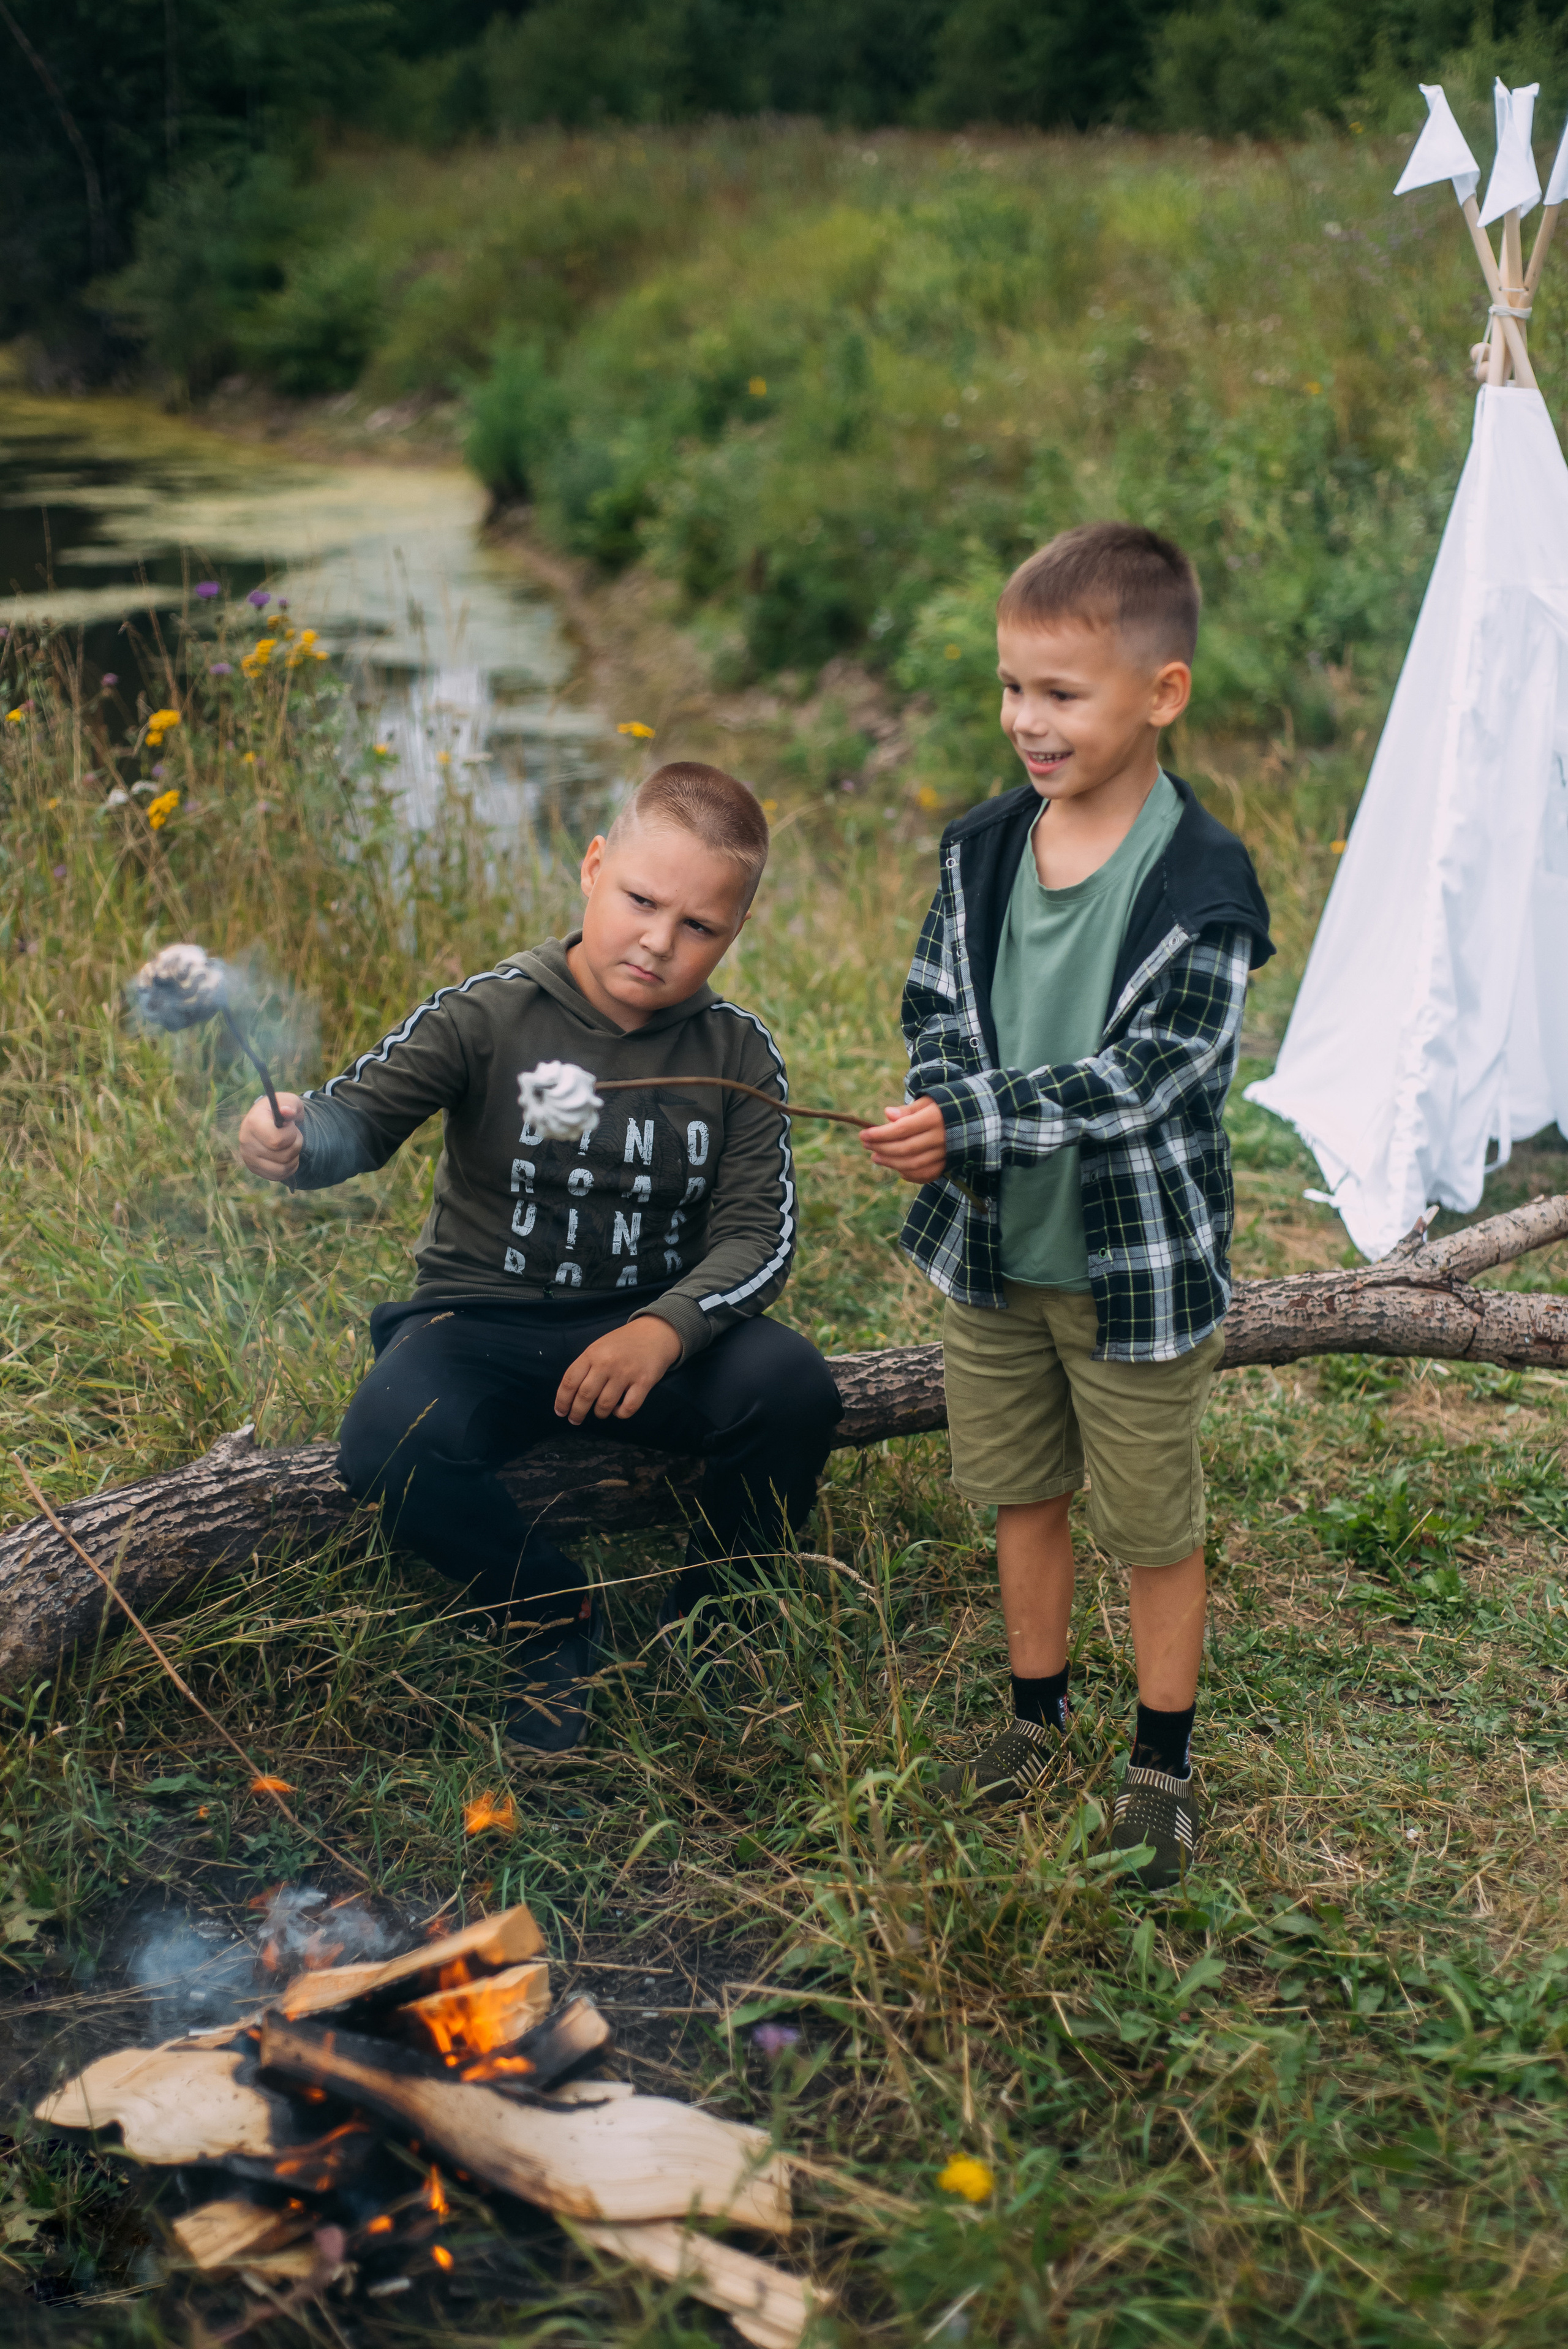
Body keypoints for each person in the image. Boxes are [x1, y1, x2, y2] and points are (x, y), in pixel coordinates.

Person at [238, 761, 843, 1755]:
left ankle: (716, 1613)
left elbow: (756, 1233)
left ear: (735, 931)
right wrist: (298, 1137)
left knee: (794, 1389)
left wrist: (665, 1327)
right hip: (482, 1323)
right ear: (594, 867)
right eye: (641, 901)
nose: (658, 941)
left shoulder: (737, 1054)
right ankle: (550, 1611)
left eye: (699, 926)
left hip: (654, 1333)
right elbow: (361, 1118)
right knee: (387, 1434)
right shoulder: (490, 1014)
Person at [862, 522, 1273, 1886]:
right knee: (1018, 1494)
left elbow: (1145, 1081)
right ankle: (1035, 1722)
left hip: (1129, 1273)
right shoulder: (981, 852)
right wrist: (938, 1102)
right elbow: (934, 1006)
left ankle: (1159, 1765)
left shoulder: (1199, 892)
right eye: (1009, 688)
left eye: (1059, 693)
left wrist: (972, 1114)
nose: (1024, 723)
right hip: (991, 1257)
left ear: (1160, 693)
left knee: (1149, 1523)